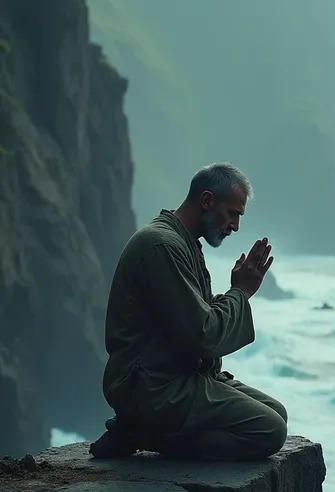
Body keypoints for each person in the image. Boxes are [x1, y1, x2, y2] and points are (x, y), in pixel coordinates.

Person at [89, 162, 288, 461]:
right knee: (269, 430)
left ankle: (144, 429)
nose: (235, 226)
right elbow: (203, 335)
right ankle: (142, 433)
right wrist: (241, 292)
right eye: (233, 213)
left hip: (172, 376)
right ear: (207, 200)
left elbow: (198, 314)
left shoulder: (183, 242)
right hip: (151, 385)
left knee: (278, 413)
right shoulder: (162, 246)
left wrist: (238, 290)